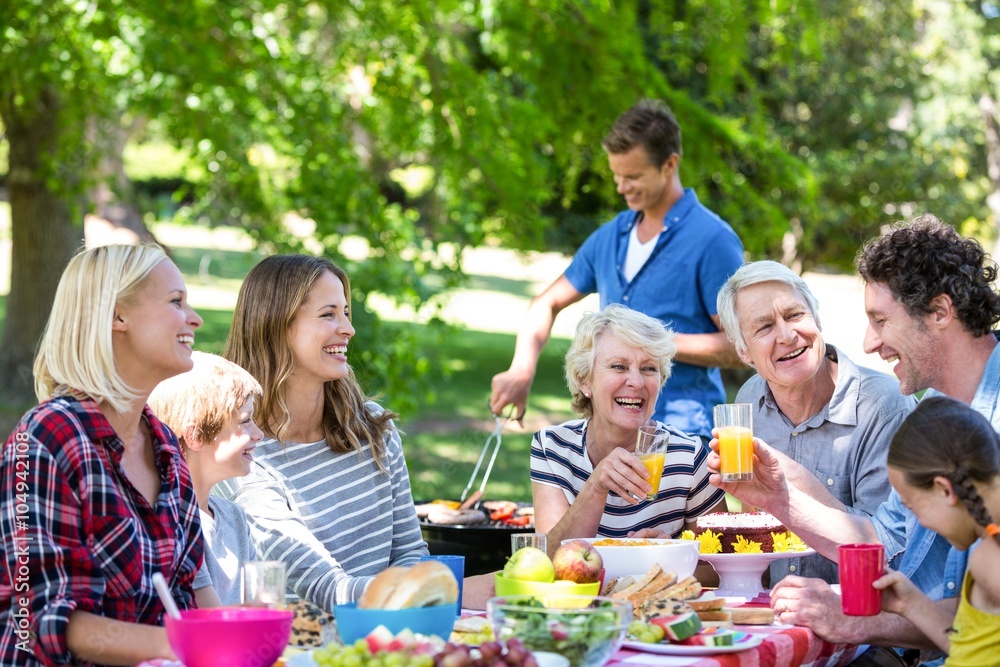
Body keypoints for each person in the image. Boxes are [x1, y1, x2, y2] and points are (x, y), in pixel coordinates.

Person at [708, 215, 1000, 665]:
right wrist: (779, 499)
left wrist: (857, 622)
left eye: (880, 321)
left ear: (940, 312)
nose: (867, 343)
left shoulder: (914, 414)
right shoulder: (931, 417)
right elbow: (881, 540)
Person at [216, 255, 494, 610]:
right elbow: (322, 585)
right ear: (276, 326)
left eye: (346, 312)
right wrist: (444, 592)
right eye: (328, 314)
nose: (348, 329)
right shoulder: (244, 451)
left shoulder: (373, 428)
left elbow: (408, 552)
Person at [0, 244, 207, 666]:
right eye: (175, 301)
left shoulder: (166, 446)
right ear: (117, 316)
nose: (195, 318)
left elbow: (187, 593)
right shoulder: (47, 438)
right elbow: (43, 620)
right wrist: (187, 643)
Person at [490, 99, 744, 441]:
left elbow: (742, 347)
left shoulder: (713, 240)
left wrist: (653, 344)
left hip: (682, 437)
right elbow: (545, 303)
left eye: (634, 176)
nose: (621, 187)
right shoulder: (610, 236)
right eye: (617, 176)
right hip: (608, 437)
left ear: (670, 164)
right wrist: (521, 370)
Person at [715, 260, 914, 584]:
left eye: (794, 315)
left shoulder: (885, 406)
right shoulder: (749, 400)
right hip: (773, 615)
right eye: (764, 327)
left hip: (860, 622)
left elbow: (893, 551)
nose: (787, 335)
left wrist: (796, 484)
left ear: (817, 318)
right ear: (743, 351)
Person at [531, 304, 727, 550]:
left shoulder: (689, 457)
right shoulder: (552, 447)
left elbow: (719, 564)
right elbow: (546, 561)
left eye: (648, 369)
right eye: (618, 367)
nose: (636, 382)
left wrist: (670, 555)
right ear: (584, 380)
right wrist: (596, 486)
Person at [872, 397, 1000, 664]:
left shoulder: (991, 559)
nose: (921, 522)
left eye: (912, 507)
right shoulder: (987, 550)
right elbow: (972, 647)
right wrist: (910, 604)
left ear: (944, 489)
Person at [148, 351, 264, 606]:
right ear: (196, 436)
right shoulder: (176, 522)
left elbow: (261, 608)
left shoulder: (234, 517)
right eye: (246, 422)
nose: (259, 434)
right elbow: (212, 621)